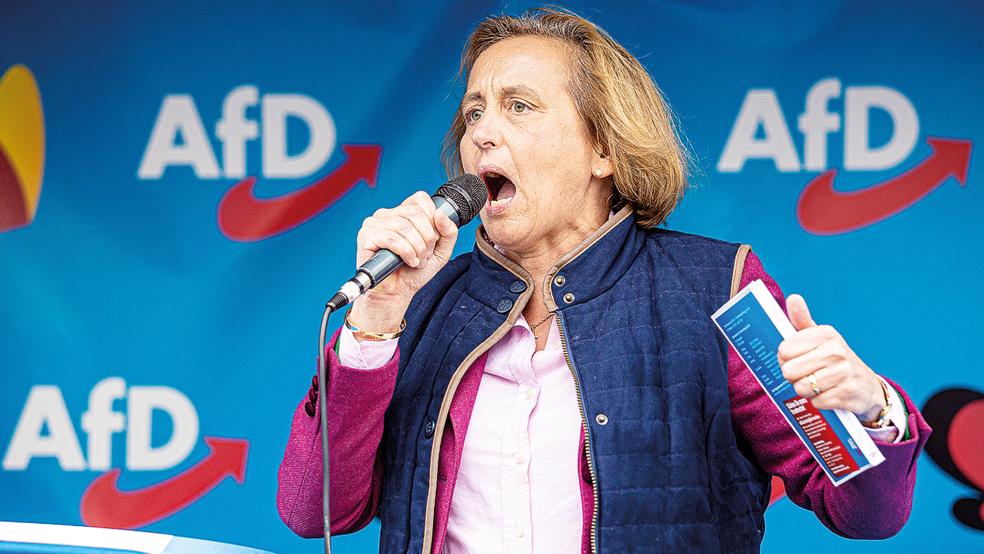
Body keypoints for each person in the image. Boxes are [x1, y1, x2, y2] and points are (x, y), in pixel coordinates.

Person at [277, 8, 930, 553]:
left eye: (519, 106)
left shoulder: (717, 286)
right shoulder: (420, 306)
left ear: (604, 149)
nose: (482, 134)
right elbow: (315, 512)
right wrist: (377, 320)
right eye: (474, 112)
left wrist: (872, 410)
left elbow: (868, 514)